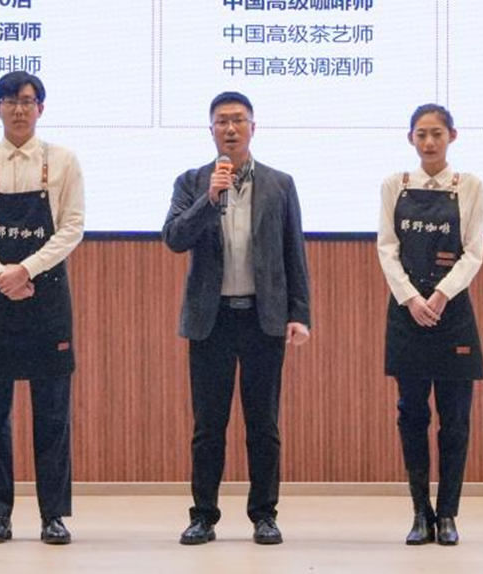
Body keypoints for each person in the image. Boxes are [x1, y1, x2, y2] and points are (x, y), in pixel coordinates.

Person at [163, 92, 311, 546]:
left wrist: (299, 314)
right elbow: (174, 238)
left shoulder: (280, 184)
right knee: (208, 426)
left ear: (253, 127)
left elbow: (294, 252)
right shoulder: (192, 182)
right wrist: (209, 199)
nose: (230, 129)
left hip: (263, 318)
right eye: (222, 121)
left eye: (238, 120)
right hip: (212, 320)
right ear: (210, 130)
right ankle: (203, 516)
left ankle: (264, 515)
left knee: (263, 424)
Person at [0, 71, 84, 545]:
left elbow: (72, 227)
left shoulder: (63, 161)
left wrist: (25, 269)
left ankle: (53, 515)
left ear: (41, 108)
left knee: (52, 413)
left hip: (47, 298)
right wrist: (0, 274)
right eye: (9, 101)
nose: (19, 109)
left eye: (27, 101)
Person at [377, 104, 483, 546]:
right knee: (411, 415)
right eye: (421, 134)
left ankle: (448, 515)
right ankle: (420, 513)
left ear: (452, 137)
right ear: (411, 139)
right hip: (408, 313)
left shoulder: (470, 186)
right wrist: (411, 298)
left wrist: (441, 295)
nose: (428, 142)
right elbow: (387, 248)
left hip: (452, 313)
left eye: (436, 133)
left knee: (455, 420)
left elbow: (473, 252)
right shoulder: (394, 185)